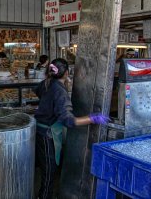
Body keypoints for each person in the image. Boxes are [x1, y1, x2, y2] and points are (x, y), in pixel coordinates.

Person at [34, 58, 110, 199]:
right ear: (67, 73)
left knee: (46, 169)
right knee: (49, 172)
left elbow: (37, 90)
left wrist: (48, 105)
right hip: (47, 134)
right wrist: (92, 118)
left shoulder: (47, 83)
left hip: (39, 130)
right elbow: (69, 121)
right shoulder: (60, 91)